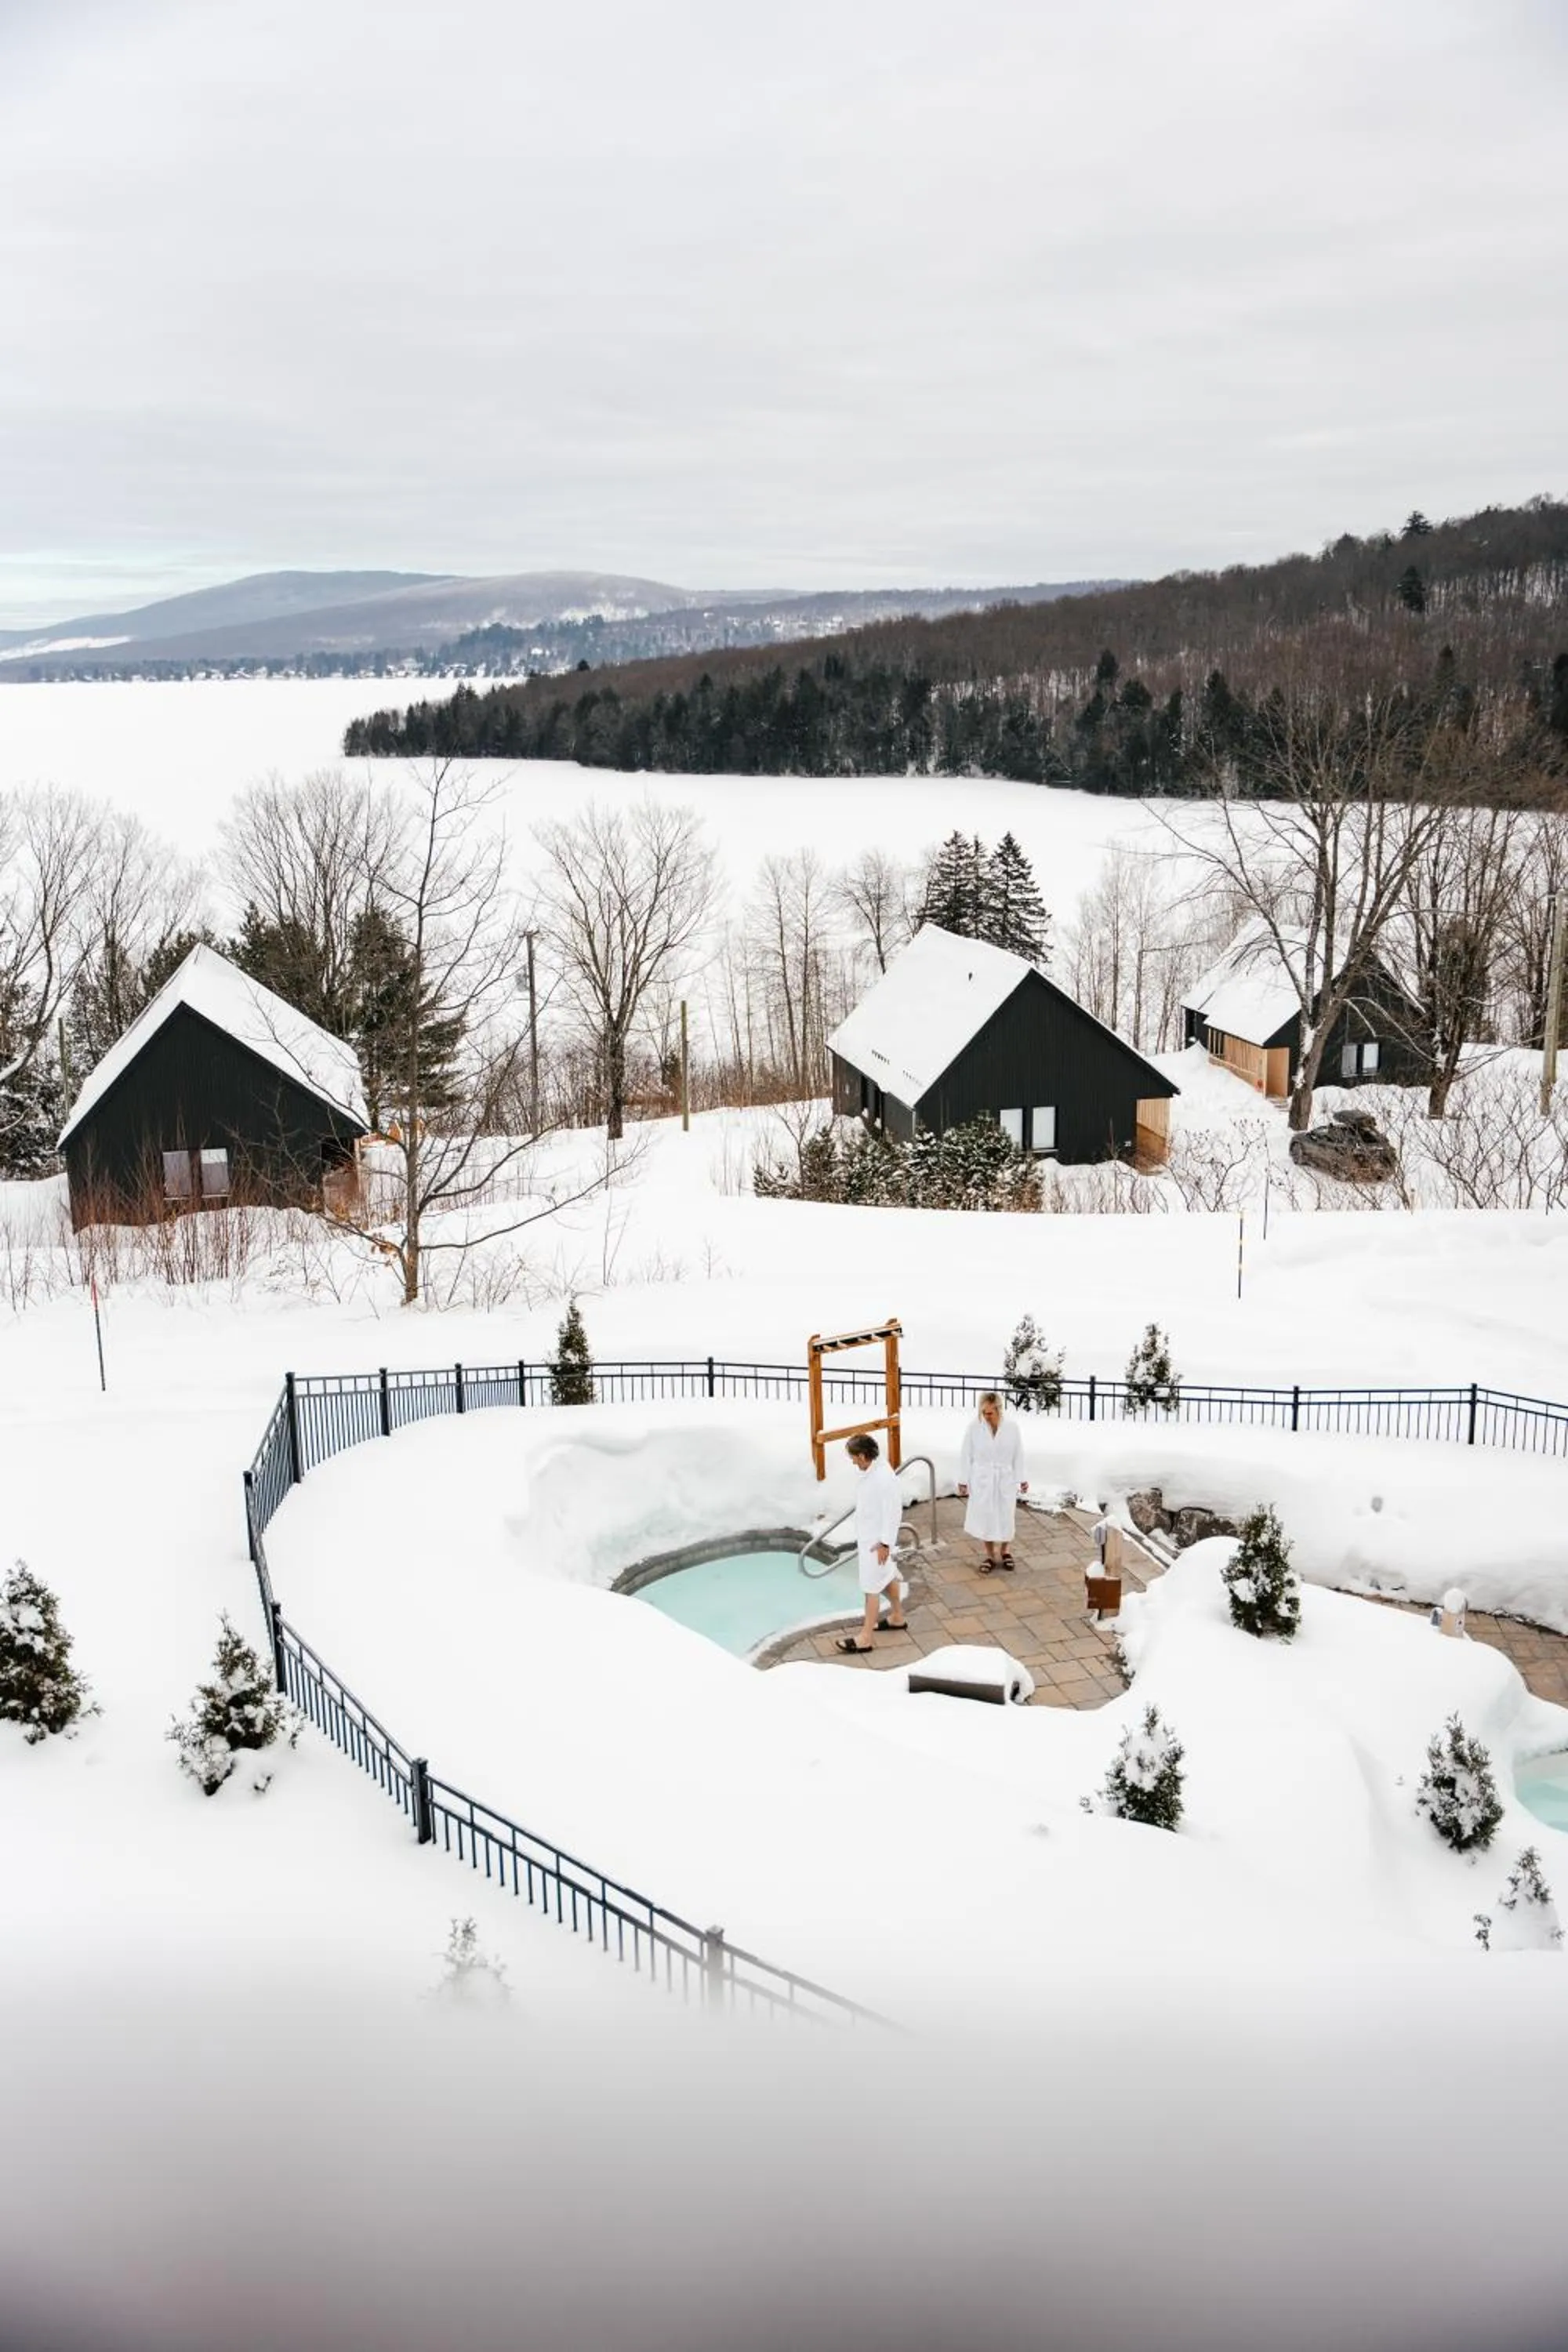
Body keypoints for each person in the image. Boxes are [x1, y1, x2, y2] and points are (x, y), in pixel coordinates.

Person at [836, 1433, 908, 1653]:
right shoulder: (874, 1472)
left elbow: (893, 1513)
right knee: (886, 1578)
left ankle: (865, 1638)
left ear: (862, 1455)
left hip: (876, 1545)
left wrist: (885, 1544)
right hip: (872, 1539)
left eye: (853, 1458)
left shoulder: (884, 1478)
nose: (853, 1462)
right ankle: (897, 1616)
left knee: (870, 1588)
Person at [957, 1392, 1027, 1572]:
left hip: (1005, 1478)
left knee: (1006, 1515)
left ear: (998, 1410)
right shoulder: (974, 1427)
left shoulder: (1011, 1427)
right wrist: (963, 1480)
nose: (986, 1416)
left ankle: (1005, 1551)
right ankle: (990, 1555)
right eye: (983, 1412)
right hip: (983, 1478)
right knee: (986, 1516)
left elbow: (1018, 1454)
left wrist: (1022, 1479)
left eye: (990, 1413)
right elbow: (966, 1455)